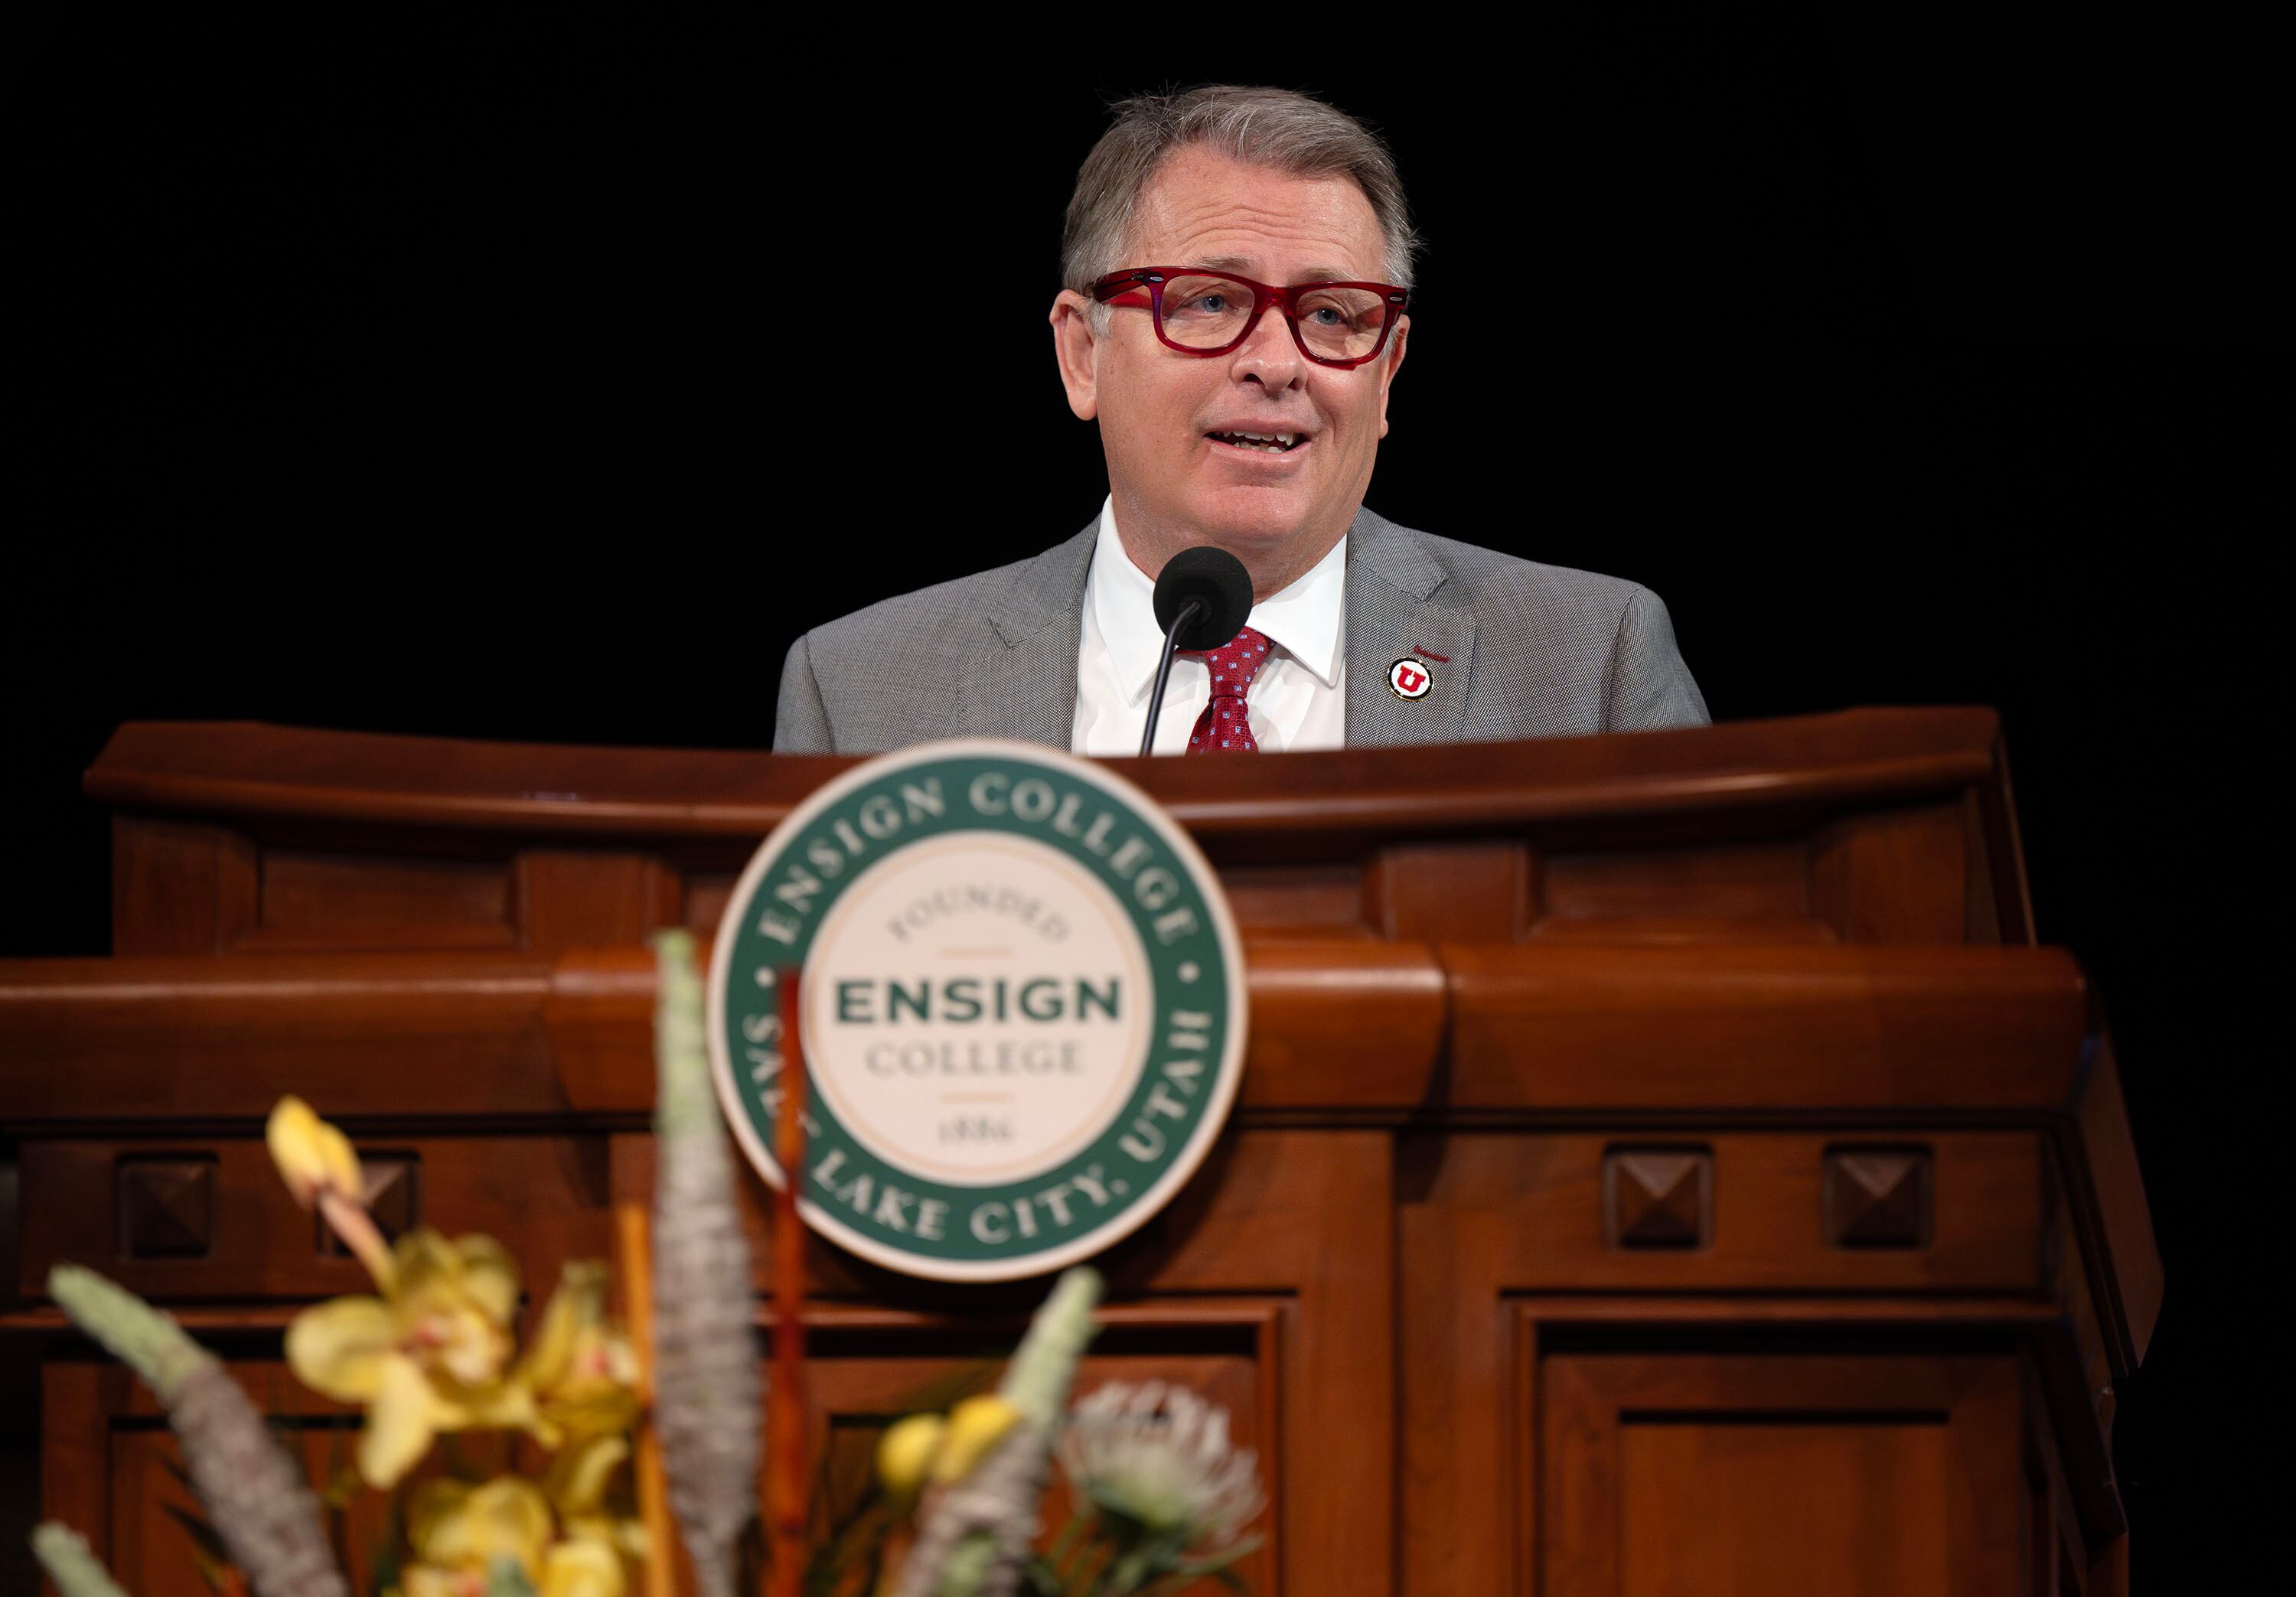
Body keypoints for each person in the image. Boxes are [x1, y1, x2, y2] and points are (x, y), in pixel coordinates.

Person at [774, 84, 1707, 755]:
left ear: (1386, 374)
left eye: (1334, 314)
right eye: (1210, 303)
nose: (1275, 361)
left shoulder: (1589, 664)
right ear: (1082, 353)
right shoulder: (864, 690)